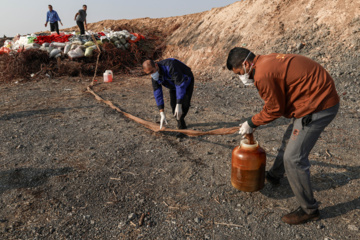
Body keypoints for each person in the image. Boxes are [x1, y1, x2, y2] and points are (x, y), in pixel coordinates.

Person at [226, 48, 339, 225]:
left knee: (293, 158)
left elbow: (274, 109)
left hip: (319, 105)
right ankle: (274, 175)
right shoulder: (265, 61)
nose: (241, 77)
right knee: (289, 140)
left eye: (239, 73)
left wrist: (251, 122)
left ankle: (309, 210)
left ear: (246, 64)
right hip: (310, 98)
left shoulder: (263, 74)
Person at [142, 59, 195, 130]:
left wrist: (179, 103)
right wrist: (161, 112)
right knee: (174, 107)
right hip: (173, 86)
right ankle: (181, 125)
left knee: (184, 105)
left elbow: (180, 84)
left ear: (156, 65)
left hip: (186, 81)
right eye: (149, 73)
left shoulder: (170, 66)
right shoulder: (154, 76)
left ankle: (181, 127)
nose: (152, 74)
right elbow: (157, 92)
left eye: (152, 71)